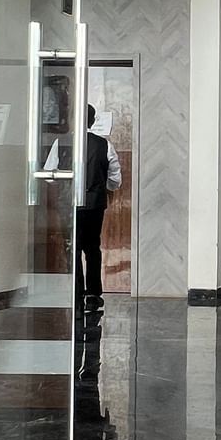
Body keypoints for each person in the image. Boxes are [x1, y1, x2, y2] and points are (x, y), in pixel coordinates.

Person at [77, 105, 123, 311]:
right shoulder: (104, 145)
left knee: (74, 248)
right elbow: (115, 178)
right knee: (92, 247)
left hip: (71, 205)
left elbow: (52, 171)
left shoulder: (64, 142)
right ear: (93, 121)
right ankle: (94, 292)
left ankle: (76, 291)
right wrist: (105, 188)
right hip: (95, 203)